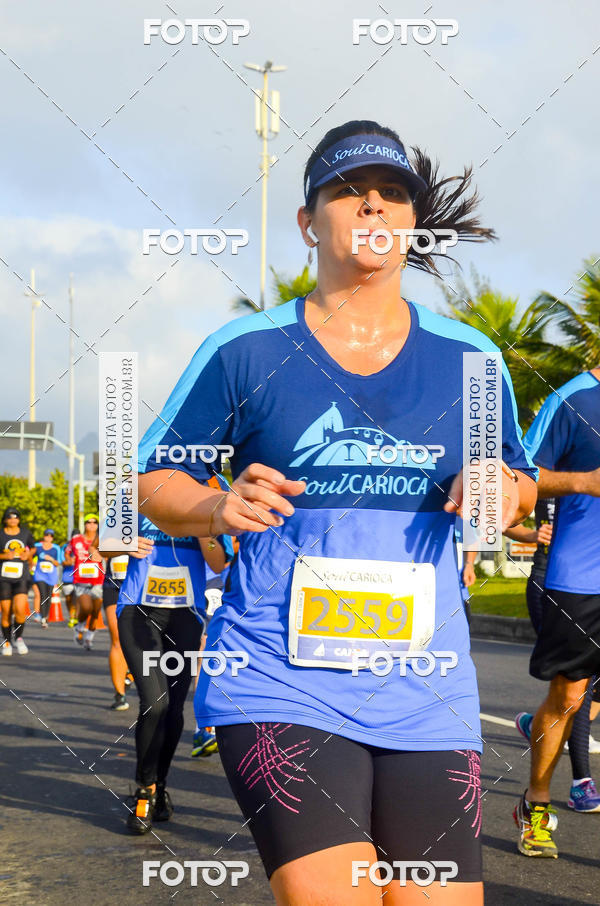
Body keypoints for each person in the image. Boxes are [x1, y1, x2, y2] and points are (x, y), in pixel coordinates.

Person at [137, 120, 538, 904]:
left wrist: (499, 488)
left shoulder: (472, 359)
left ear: (414, 223)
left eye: (393, 196)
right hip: (280, 679)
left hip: (428, 688)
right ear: (307, 222)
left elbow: (518, 484)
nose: (373, 209)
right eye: (348, 195)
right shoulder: (246, 349)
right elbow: (150, 482)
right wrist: (218, 504)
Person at [514, 369, 600, 858]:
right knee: (568, 699)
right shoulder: (573, 401)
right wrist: (585, 482)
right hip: (582, 578)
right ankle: (537, 805)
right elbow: (516, 474)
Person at [114, 519, 225, 835]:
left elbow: (218, 562)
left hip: (185, 616)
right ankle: (144, 789)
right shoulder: (135, 492)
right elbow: (102, 546)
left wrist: (205, 527)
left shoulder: (206, 496)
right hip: (138, 609)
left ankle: (160, 785)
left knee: (174, 708)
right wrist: (122, 543)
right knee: (155, 703)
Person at [0, 507, 35, 655]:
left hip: (21, 576)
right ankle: (7, 641)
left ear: (19, 519)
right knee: (6, 611)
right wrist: (4, 556)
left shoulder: (25, 533)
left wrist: (28, 554)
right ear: (5, 519)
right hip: (4, 577)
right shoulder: (1, 534)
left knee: (20, 609)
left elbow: (33, 548)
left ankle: (18, 638)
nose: (13, 520)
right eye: (10, 517)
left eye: (16, 517)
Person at [69, 514, 105, 650]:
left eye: (94, 522)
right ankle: (79, 626)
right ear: (84, 524)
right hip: (81, 579)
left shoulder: (102, 540)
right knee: (86, 607)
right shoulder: (76, 539)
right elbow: (67, 552)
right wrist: (69, 560)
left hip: (98, 580)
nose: (91, 525)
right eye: (88, 522)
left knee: (96, 611)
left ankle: (89, 637)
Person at [103, 555, 131, 710]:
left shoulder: (150, 529)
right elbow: (95, 548)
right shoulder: (112, 529)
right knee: (117, 639)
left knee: (143, 640)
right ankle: (119, 694)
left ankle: (131, 673)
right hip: (113, 585)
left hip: (140, 587)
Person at [32, 529, 61, 628]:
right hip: (40, 575)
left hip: (51, 576)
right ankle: (43, 618)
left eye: (51, 536)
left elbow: (58, 563)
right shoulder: (37, 546)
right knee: (42, 594)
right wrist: (32, 564)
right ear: (43, 536)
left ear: (52, 538)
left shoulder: (56, 548)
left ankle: (45, 616)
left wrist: (51, 559)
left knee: (48, 597)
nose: (48, 537)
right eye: (46, 535)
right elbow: (30, 557)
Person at [61, 534, 77, 627]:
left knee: (77, 599)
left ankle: (74, 617)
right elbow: (61, 561)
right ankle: (72, 616)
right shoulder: (64, 547)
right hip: (67, 577)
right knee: (68, 599)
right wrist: (69, 562)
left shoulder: (83, 546)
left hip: (79, 578)